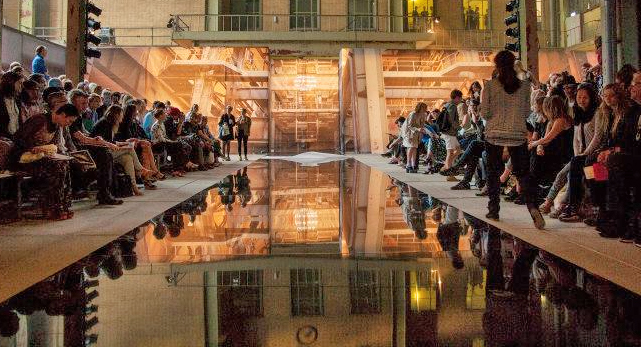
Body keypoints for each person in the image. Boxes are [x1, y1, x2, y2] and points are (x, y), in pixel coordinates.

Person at [480, 50, 545, 229]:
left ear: (497, 66)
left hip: (494, 134)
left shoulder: (490, 86)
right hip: (517, 134)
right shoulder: (524, 86)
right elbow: (526, 113)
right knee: (523, 174)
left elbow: (484, 112)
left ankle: (493, 208)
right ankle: (533, 207)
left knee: (493, 172)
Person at [11, 103, 79, 220]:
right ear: (62, 115)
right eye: (70, 121)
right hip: (23, 158)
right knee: (56, 168)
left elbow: (53, 146)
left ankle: (62, 206)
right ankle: (52, 209)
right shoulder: (39, 120)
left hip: (40, 157)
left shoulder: (57, 126)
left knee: (64, 164)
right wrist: (32, 147)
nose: (69, 124)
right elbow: (18, 138)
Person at [553, 83, 600, 222]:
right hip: (580, 156)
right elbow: (576, 139)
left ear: (591, 98)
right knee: (567, 171)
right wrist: (577, 154)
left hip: (594, 153)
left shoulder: (597, 113)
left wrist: (584, 153)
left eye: (585, 97)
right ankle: (570, 205)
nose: (581, 100)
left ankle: (573, 205)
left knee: (582, 169)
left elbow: (597, 137)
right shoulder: (578, 114)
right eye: (579, 97)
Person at [67, 89, 123, 205]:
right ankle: (105, 193)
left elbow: (85, 134)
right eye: (82, 103)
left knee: (106, 155)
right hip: (75, 149)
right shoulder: (70, 116)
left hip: (81, 147)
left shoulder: (78, 116)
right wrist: (104, 143)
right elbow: (81, 138)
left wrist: (98, 140)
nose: (85, 106)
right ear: (72, 102)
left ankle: (108, 191)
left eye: (86, 103)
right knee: (104, 155)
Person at [91, 105, 155, 195]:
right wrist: (125, 144)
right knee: (130, 149)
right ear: (116, 115)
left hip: (109, 150)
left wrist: (125, 142)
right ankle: (140, 169)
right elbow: (105, 142)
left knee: (127, 158)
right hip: (101, 153)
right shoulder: (105, 123)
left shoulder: (111, 123)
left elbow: (112, 141)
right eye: (121, 114)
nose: (122, 116)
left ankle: (134, 187)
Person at [440, 89, 464, 178]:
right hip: (450, 132)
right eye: (460, 98)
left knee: (458, 150)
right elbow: (451, 119)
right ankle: (449, 173)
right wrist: (458, 127)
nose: (461, 100)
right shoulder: (452, 106)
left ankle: (446, 165)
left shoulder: (447, 105)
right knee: (450, 153)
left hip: (450, 133)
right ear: (457, 97)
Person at [402, 102, 428, 173]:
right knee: (410, 147)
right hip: (409, 133)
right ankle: (408, 164)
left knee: (415, 148)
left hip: (417, 133)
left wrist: (421, 134)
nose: (425, 109)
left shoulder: (423, 115)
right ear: (419, 107)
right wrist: (418, 129)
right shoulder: (413, 114)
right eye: (423, 108)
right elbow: (409, 125)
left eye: (425, 108)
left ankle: (413, 164)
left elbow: (422, 125)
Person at [0, 71, 25, 139]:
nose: (22, 86)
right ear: (10, 82)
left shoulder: (17, 100)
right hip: (3, 139)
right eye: (19, 83)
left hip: (15, 138)